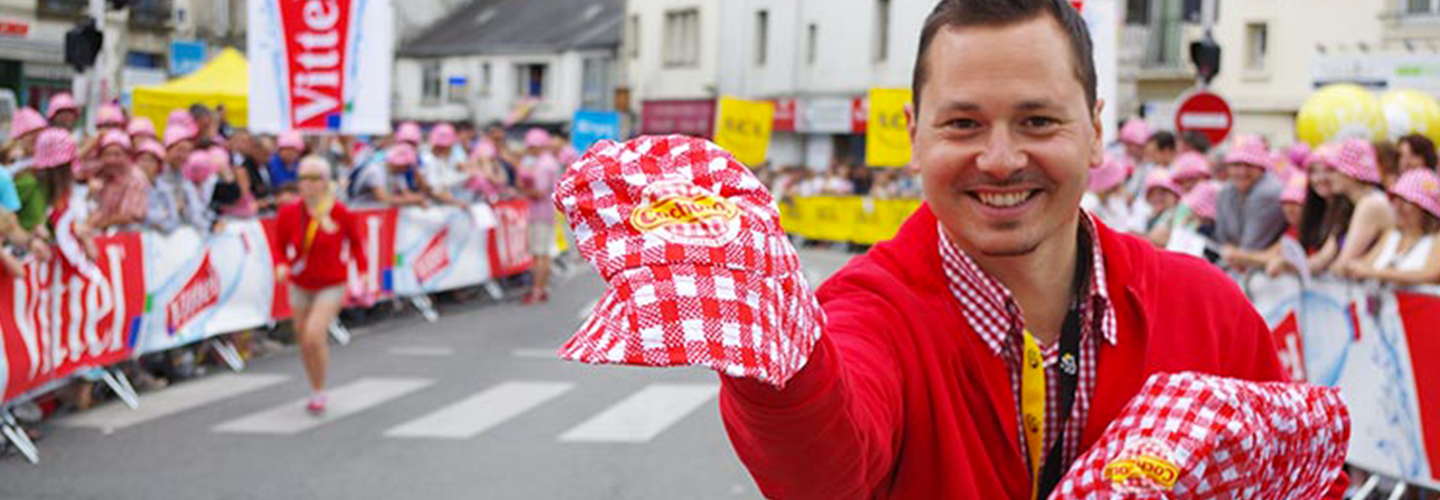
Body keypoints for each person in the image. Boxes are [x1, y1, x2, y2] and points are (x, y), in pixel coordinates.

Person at [552, 1, 1346, 498]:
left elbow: (1293, 474)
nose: (1000, 159)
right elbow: (827, 476)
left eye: (1038, 121)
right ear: (914, 136)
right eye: (963, 124)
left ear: (1096, 128)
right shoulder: (868, 310)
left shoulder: (1206, 307)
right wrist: (776, 349)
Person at [274, 156, 368, 415]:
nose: (308, 184)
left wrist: (362, 272)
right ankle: (315, 387)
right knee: (304, 340)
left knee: (315, 333)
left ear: (326, 182)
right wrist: (280, 264)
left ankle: (320, 390)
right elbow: (279, 246)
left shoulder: (339, 211)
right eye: (303, 178)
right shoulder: (289, 212)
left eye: (315, 178)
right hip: (300, 282)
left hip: (331, 283)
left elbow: (357, 243)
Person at [1340, 168, 1440, 286]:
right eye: (1395, 199)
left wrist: (1377, 273)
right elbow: (1364, 265)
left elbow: (1431, 274)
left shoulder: (1435, 239)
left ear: (1425, 210)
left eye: (1406, 201)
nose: (1398, 206)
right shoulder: (1391, 235)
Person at [1309, 139, 1395, 275]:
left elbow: (1344, 262)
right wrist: (1294, 266)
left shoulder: (1371, 204)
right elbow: (1324, 256)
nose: (1328, 177)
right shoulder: (1349, 204)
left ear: (1351, 173)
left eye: (1333, 170)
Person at [1214, 138, 1287, 270]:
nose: (1242, 172)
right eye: (1236, 165)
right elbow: (1222, 240)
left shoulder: (1268, 193)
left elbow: (1251, 247)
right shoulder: (1226, 191)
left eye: (1249, 165)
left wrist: (1234, 254)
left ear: (1262, 168)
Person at [518, 128, 561, 304]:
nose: (529, 149)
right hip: (545, 212)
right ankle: (540, 289)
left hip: (540, 212)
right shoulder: (546, 162)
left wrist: (523, 188)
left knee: (540, 254)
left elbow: (538, 192)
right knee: (542, 253)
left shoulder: (544, 164)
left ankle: (537, 290)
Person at [85, 131, 149, 231]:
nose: (111, 159)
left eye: (117, 154)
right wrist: (90, 194)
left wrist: (101, 223)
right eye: (107, 154)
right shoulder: (100, 173)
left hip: (128, 236)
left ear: (127, 156)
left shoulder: (136, 177)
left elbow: (132, 215)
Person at [350, 143, 431, 206]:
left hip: (376, 212)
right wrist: (414, 200)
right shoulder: (375, 170)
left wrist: (419, 199)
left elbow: (406, 194)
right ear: (399, 163)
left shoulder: (398, 172)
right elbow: (383, 198)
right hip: (359, 210)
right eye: (406, 166)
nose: (407, 170)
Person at [1079, 154, 1133, 232]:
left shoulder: (1114, 201)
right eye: (1116, 186)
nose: (1120, 188)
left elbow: (1124, 226)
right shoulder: (1089, 202)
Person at [421, 123, 468, 204]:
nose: (452, 148)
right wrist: (454, 201)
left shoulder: (440, 159)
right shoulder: (426, 160)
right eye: (450, 146)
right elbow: (431, 190)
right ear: (443, 146)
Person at [6, 108, 47, 172]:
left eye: (39, 131)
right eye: (31, 132)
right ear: (19, 138)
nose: (36, 135)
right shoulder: (13, 160)